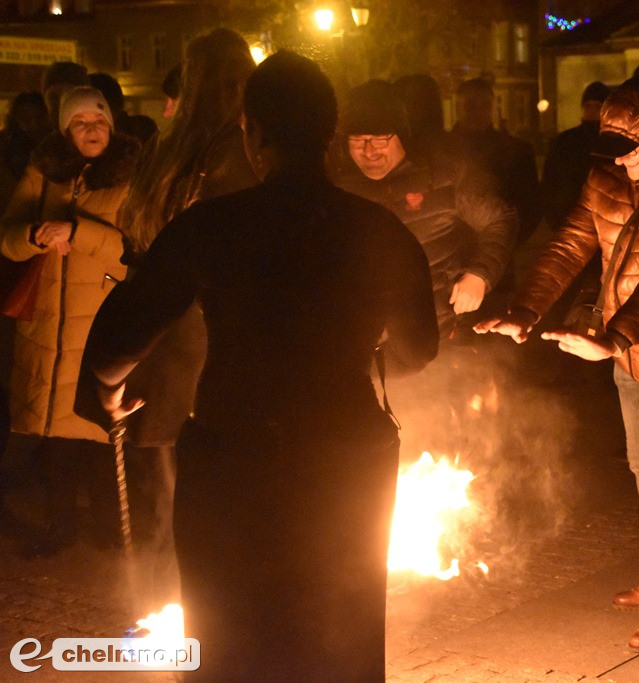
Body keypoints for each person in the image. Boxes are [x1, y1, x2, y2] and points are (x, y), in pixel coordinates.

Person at [79, 51, 438, 680]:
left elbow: (123, 331)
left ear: (255, 132)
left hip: (235, 456)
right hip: (346, 460)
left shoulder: (213, 226)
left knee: (229, 629)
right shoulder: (379, 230)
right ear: (328, 134)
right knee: (343, 628)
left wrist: (109, 391)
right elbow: (416, 353)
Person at [476, 74, 639, 653]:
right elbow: (570, 245)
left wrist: (614, 338)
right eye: (611, 151)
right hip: (626, 351)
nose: (620, 164)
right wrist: (525, 311)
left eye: (631, 152)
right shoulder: (606, 179)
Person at [82, 27, 258, 614]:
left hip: (157, 341)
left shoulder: (164, 151)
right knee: (216, 504)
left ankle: (167, 629)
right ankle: (207, 635)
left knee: (166, 499)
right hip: (211, 346)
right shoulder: (236, 155)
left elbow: (140, 252)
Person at [334, 79, 516, 458]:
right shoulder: (334, 183)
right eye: (357, 141)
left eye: (380, 139)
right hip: (358, 346)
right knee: (373, 450)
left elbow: (500, 219)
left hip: (436, 335)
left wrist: (480, 274)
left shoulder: (445, 174)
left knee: (441, 447)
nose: (368, 152)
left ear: (402, 134)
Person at [0, 86, 139, 557]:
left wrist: (79, 234)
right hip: (47, 329)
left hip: (101, 322)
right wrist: (35, 236)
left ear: (112, 126)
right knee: (54, 438)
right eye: (80, 122)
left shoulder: (129, 179)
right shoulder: (43, 174)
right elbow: (8, 241)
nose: (91, 129)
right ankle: (61, 529)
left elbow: (135, 254)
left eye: (98, 121)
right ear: (65, 130)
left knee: (99, 435)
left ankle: (111, 533)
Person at [451, 77, 541, 244]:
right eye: (470, 105)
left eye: (485, 105)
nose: (478, 112)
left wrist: (504, 245)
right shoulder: (442, 151)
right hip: (450, 255)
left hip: (498, 253)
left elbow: (530, 208)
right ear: (457, 107)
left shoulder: (516, 152)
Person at [540, 80, 611, 228]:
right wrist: (553, 215)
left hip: (605, 219)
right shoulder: (565, 141)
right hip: (568, 217)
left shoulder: (612, 143)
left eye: (598, 106)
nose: (592, 111)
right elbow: (550, 179)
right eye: (588, 106)